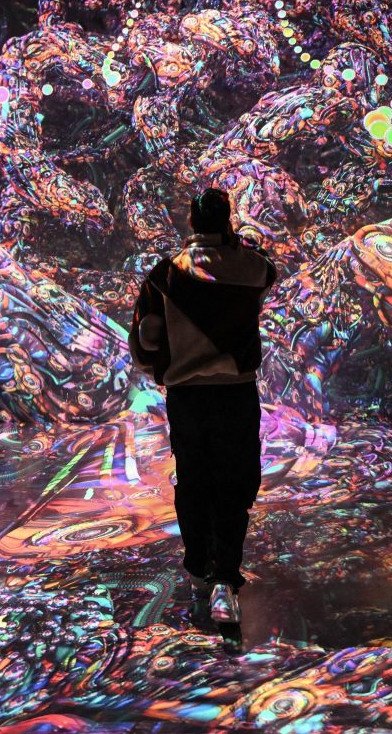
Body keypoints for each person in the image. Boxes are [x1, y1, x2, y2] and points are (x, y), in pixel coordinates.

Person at [129, 188, 278, 625]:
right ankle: (226, 581)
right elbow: (267, 272)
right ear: (228, 220)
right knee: (234, 485)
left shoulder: (165, 275)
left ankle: (198, 572)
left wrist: (166, 363)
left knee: (194, 483)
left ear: (191, 222)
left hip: (188, 397)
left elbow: (145, 343)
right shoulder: (252, 267)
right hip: (236, 393)